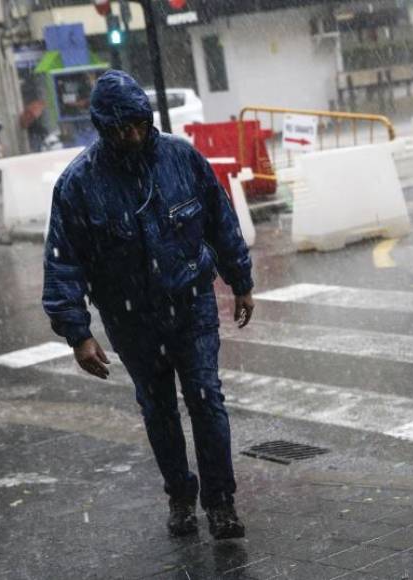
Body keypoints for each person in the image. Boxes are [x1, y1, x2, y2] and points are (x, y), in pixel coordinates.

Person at [42, 70, 255, 540]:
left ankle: (220, 502)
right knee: (158, 409)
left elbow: (221, 220)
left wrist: (240, 279)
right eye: (120, 129)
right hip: (131, 318)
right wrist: (77, 333)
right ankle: (180, 495)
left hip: (191, 302)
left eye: (137, 124)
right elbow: (63, 263)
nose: (132, 136)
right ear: (103, 129)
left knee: (206, 400)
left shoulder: (181, 159)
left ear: (148, 119)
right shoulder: (78, 185)